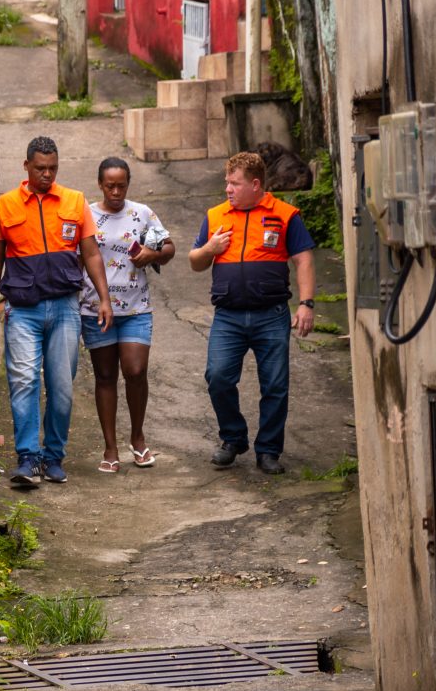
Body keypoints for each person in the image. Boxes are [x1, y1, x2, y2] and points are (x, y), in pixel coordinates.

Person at [0, 136, 114, 488]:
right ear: (26, 167)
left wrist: (104, 298)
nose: (46, 174)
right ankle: (27, 458)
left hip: (65, 308)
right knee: (23, 381)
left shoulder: (74, 201)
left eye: (52, 168)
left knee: (61, 386)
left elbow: (90, 253)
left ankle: (54, 456)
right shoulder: (5, 206)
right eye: (40, 168)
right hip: (22, 310)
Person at [188, 152, 315, 475]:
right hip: (228, 316)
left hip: (271, 314)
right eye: (227, 183)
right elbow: (195, 261)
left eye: (235, 183)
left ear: (255, 184)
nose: (228, 189)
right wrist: (209, 249)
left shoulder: (285, 215)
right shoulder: (216, 216)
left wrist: (306, 303)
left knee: (275, 385)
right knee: (217, 376)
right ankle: (233, 438)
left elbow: (303, 259)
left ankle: (268, 450)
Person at [80, 157, 175, 473]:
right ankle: (110, 447)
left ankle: (137, 435)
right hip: (95, 308)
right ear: (100, 184)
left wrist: (154, 253)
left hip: (136, 307)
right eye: (110, 186)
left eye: (122, 185)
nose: (116, 191)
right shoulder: (87, 216)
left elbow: (170, 246)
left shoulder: (142, 214)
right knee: (105, 376)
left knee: (135, 371)